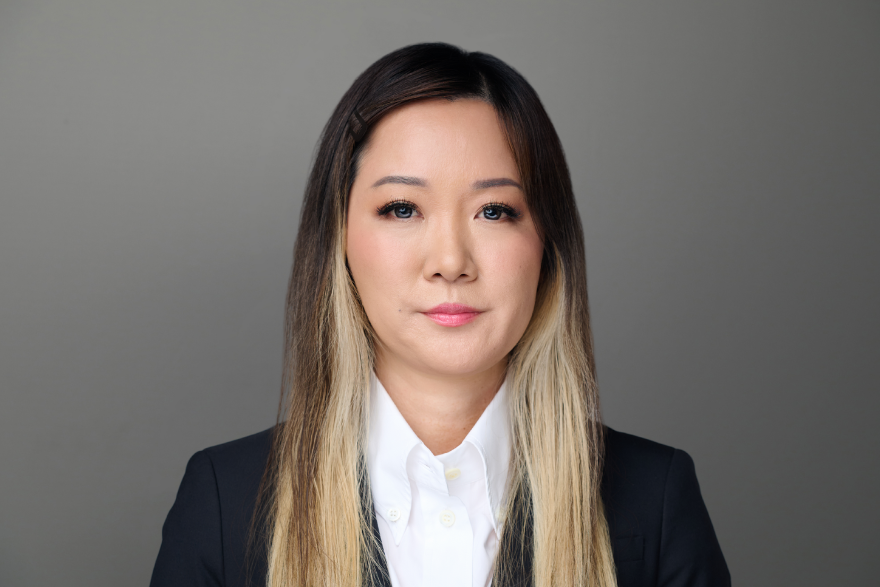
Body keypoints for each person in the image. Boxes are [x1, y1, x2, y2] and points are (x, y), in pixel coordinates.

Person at [149, 43, 730, 587]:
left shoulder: (654, 498)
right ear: (339, 240)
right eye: (402, 209)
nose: (451, 262)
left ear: (547, 244)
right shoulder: (224, 502)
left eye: (494, 211)